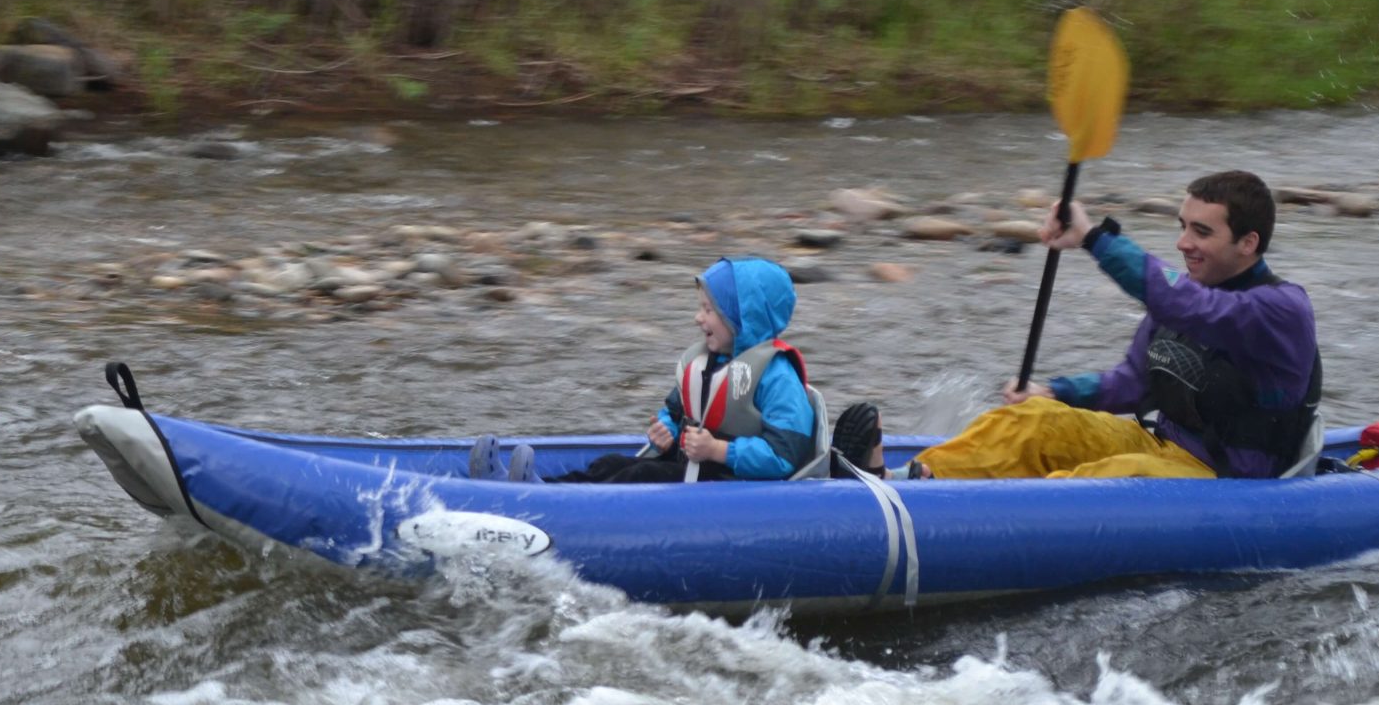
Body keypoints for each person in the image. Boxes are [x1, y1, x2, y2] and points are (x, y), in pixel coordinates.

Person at [835, 170, 1320, 480]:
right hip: (1161, 443)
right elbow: (1130, 383)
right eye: (1182, 225)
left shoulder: (1280, 310)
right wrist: (1055, 392)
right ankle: (905, 482)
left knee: (1113, 473)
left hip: (1222, 476)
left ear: (1248, 243)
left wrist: (1093, 237)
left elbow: (1189, 308)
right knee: (1031, 422)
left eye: (1202, 231)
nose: (1182, 243)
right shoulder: (1188, 292)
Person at [472, 256, 818, 483]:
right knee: (610, 463)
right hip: (694, 471)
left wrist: (719, 451)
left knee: (641, 475)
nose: (699, 318)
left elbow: (784, 457)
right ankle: (528, 486)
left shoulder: (776, 377)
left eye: (709, 310)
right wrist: (664, 431)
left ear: (744, 319)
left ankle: (541, 498)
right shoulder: (708, 363)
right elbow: (674, 410)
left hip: (729, 484)